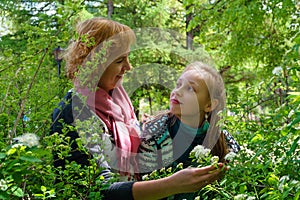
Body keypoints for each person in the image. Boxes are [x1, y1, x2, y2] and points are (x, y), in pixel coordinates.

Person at [50, 17, 227, 200]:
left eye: (128, 57)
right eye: (120, 60)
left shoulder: (119, 102)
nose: (129, 66)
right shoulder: (73, 113)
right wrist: (171, 185)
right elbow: (94, 192)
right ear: (94, 63)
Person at [138, 61, 240, 199]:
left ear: (209, 105)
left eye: (190, 89)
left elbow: (238, 179)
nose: (177, 92)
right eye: (178, 85)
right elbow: (144, 185)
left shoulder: (222, 138)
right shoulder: (155, 133)